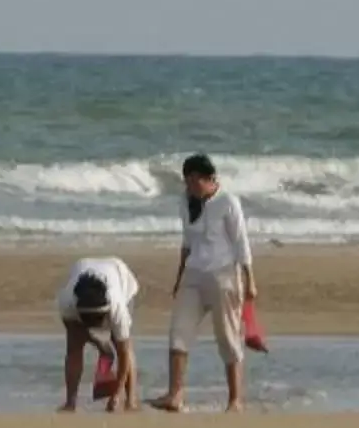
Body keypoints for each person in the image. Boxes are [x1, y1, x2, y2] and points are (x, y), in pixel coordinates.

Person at [154, 154, 255, 413]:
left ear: (208, 179)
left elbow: (241, 242)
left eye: (194, 182)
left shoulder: (228, 202)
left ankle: (235, 400)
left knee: (228, 338)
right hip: (194, 275)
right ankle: (175, 394)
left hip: (224, 276)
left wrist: (249, 280)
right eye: (187, 182)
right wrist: (178, 278)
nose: (190, 187)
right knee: (179, 332)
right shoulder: (185, 202)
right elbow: (186, 243)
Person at [56, 256, 140, 412]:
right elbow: (74, 340)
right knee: (74, 347)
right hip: (83, 269)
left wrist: (116, 394)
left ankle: (131, 400)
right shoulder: (66, 302)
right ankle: (70, 402)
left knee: (121, 344)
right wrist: (101, 345)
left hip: (121, 275)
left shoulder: (117, 306)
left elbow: (124, 353)